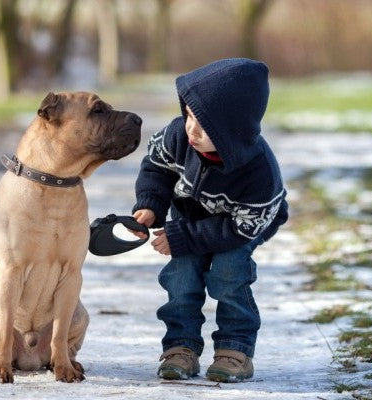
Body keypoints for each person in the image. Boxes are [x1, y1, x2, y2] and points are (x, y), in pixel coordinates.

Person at [131, 58, 288, 383]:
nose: (191, 128)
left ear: (233, 131)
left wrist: (183, 237)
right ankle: (180, 347)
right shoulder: (177, 137)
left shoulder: (260, 173)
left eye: (205, 125)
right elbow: (155, 168)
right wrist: (151, 205)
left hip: (243, 224)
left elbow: (241, 228)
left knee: (229, 273)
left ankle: (236, 349)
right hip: (192, 215)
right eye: (188, 115)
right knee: (182, 275)